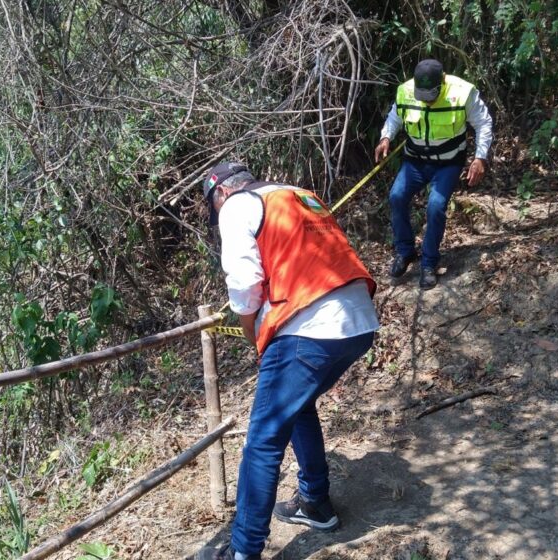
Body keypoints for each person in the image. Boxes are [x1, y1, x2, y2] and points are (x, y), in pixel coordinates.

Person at [194, 162, 380, 560]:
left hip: (309, 324)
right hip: (358, 320)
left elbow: (244, 286)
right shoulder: (299, 194)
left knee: (262, 441)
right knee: (297, 409)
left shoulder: (236, 206)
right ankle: (314, 503)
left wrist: (251, 333)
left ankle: (243, 551)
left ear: (220, 194)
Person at [375, 58, 493, 289]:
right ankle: (405, 252)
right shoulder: (405, 92)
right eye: (423, 96)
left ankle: (429, 263)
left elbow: (483, 123)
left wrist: (480, 157)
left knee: (435, 206)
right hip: (415, 161)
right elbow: (395, 116)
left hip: (448, 163)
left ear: (443, 82)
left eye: (431, 96)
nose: (427, 102)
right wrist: (386, 136)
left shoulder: (462, 92)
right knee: (397, 197)